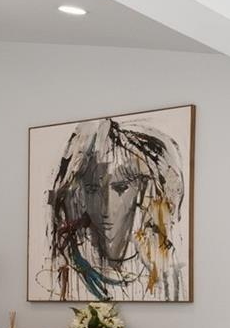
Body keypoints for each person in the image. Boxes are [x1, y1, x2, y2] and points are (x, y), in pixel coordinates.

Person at [40, 114, 187, 301]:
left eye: (121, 188)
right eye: (93, 189)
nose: (106, 206)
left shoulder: (161, 264)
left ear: (141, 191)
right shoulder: (67, 264)